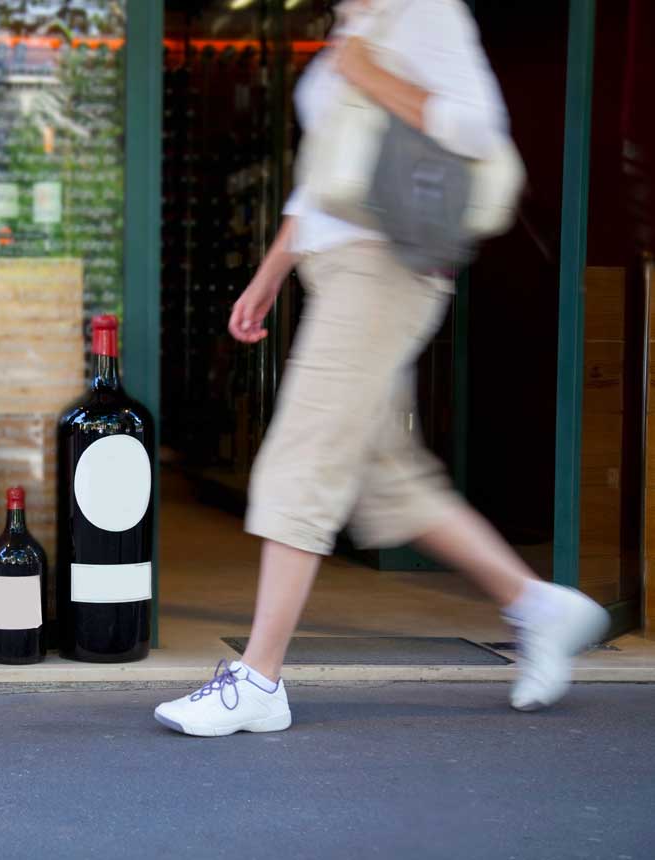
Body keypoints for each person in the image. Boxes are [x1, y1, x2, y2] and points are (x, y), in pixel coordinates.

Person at [154, 0, 608, 737]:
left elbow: (477, 129)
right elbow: (327, 170)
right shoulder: (355, 20)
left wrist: (369, 74)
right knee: (384, 479)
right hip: (338, 266)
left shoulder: (425, 11)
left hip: (386, 266)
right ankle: (539, 606)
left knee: (304, 453)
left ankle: (260, 678)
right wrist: (272, 272)